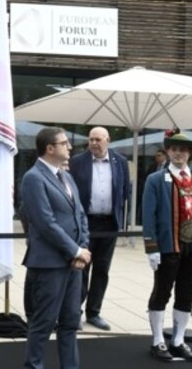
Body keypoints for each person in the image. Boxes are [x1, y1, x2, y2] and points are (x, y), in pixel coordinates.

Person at [142, 130, 192, 362]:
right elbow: (148, 214)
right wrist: (152, 247)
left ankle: (178, 340)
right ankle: (157, 341)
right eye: (173, 149)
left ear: (189, 153)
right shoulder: (155, 180)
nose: (178, 154)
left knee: (186, 294)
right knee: (162, 293)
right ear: (167, 152)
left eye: (182, 150)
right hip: (167, 246)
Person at [22, 127, 90, 369]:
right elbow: (44, 222)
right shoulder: (33, 178)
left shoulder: (67, 176)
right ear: (50, 149)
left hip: (74, 264)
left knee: (71, 323)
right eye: (64, 143)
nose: (69, 147)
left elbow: (80, 215)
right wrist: (75, 251)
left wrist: (83, 249)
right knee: (42, 323)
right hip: (49, 264)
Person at [69, 126, 130, 331]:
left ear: (108, 140)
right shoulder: (78, 161)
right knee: (81, 268)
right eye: (91, 139)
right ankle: (74, 312)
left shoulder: (120, 162)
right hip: (85, 223)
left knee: (102, 270)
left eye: (98, 140)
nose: (94, 143)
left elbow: (124, 192)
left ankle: (94, 312)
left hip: (109, 224)